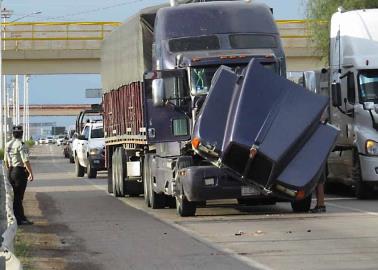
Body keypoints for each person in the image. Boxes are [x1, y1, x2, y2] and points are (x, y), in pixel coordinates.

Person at [4, 125, 34, 225]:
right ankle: (20, 219)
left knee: (13, 196)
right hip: (19, 172)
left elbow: (5, 161)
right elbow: (25, 160)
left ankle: (19, 217)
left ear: (13, 134)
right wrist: (30, 173)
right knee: (18, 196)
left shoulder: (7, 144)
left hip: (10, 171)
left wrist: (10, 171)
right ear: (21, 134)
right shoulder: (22, 145)